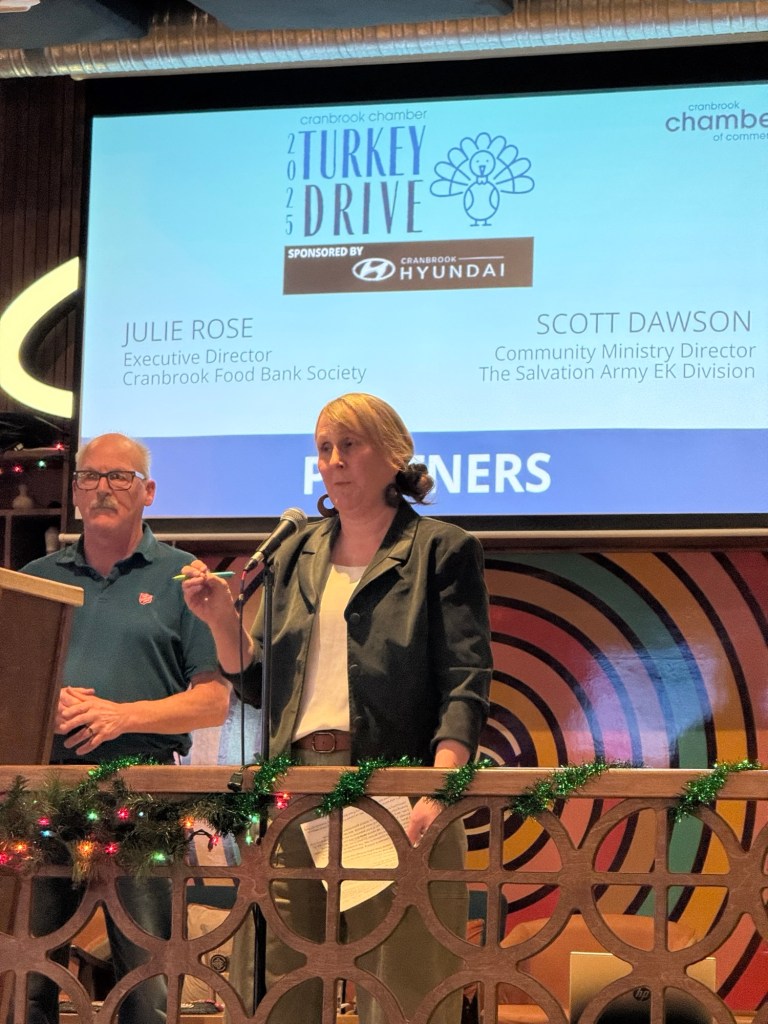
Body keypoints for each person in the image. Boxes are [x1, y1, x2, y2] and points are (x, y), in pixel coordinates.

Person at [182, 393, 492, 1024]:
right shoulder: (295, 552)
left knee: (403, 988)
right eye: (324, 448)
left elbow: (465, 678)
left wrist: (440, 787)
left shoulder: (441, 548)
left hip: (398, 791)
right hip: (296, 791)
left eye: (350, 444)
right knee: (280, 988)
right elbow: (258, 681)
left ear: (395, 454)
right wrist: (219, 621)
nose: (334, 460)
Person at [21, 432, 230, 1024]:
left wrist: (120, 717)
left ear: (149, 491)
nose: (103, 489)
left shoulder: (184, 579)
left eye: (120, 477)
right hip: (41, 793)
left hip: (146, 795)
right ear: (75, 491)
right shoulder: (35, 578)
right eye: (90, 476)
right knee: (27, 979)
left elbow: (214, 701)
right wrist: (43, 703)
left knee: (149, 985)